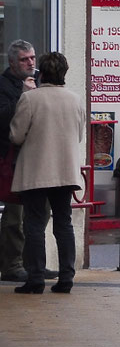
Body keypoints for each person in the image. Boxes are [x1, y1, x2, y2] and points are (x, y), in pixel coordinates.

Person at [9, 52, 85, 294]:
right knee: (64, 223)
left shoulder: (30, 99)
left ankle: (36, 278)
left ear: (41, 73)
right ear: (64, 72)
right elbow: (79, 135)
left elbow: (16, 135)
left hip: (36, 172)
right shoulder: (75, 99)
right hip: (65, 170)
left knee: (34, 224)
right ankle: (66, 277)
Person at [0, 39, 37, 281]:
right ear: (13, 62)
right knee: (15, 215)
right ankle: (11, 265)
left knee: (36, 214)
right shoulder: (3, 85)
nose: (30, 63)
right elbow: (3, 118)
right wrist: (24, 96)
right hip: (11, 158)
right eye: (24, 59)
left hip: (35, 157)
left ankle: (33, 263)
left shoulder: (38, 81)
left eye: (32, 57)